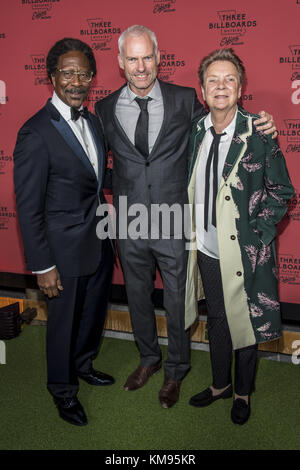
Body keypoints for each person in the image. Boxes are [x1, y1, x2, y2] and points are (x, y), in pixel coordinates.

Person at [95, 25, 277, 409]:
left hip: (177, 221)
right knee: (138, 298)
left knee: (179, 300)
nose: (141, 66)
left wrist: (265, 122)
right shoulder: (105, 108)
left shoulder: (184, 100)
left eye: (148, 57)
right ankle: (148, 359)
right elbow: (97, 165)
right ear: (120, 62)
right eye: (133, 58)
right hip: (128, 223)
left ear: (159, 58)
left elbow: (224, 121)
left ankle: (176, 369)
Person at [185, 48, 294, 424]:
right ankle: (219, 385)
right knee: (216, 318)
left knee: (244, 322)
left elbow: (282, 191)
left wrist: (259, 236)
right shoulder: (195, 131)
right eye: (213, 79)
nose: (221, 86)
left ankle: (243, 393)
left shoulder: (258, 133)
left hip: (247, 254)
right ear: (201, 90)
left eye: (229, 79)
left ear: (240, 87)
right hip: (207, 250)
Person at [13, 38, 114, 426]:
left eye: (84, 73)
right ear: (52, 76)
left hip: (99, 242)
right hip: (61, 252)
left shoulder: (91, 121)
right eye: (67, 72)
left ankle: (84, 365)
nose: (76, 80)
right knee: (61, 325)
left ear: (92, 77)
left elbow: (95, 177)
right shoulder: (35, 133)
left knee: (91, 315)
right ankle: (62, 389)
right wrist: (42, 265)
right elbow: (28, 206)